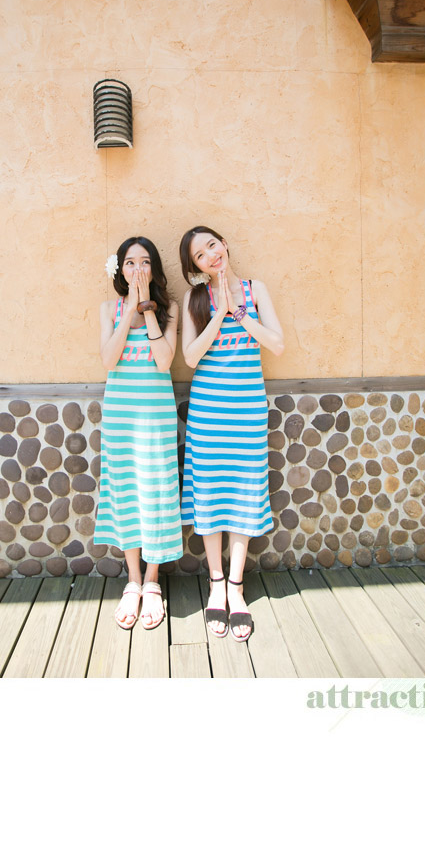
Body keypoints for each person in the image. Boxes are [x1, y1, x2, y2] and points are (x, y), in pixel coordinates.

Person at [179, 230, 283, 625]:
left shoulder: (256, 290)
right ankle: (216, 584)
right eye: (199, 255)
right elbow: (190, 357)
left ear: (224, 244)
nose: (210, 255)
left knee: (244, 491)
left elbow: (276, 344)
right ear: (195, 267)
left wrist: (240, 314)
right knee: (209, 492)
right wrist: (219, 313)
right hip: (208, 413)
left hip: (247, 410)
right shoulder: (195, 299)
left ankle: (236, 587)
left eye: (212, 245)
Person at [94, 238, 182, 627]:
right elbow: (108, 360)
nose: (138, 269)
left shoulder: (170, 309)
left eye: (145, 262)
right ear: (120, 270)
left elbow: (164, 362)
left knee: (156, 489)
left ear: (155, 269)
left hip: (155, 415)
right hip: (120, 415)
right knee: (126, 489)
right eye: (130, 263)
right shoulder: (108, 309)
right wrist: (129, 307)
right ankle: (133, 578)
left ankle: (152, 579)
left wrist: (147, 309)